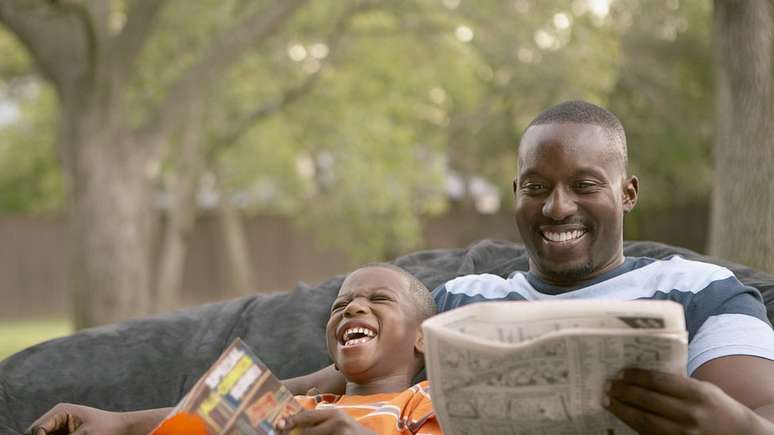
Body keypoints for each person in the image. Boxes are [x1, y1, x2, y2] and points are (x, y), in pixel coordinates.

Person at [430, 100, 774, 434]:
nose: (557, 208)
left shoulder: (701, 290)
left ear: (628, 194)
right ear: (517, 192)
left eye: (583, 186)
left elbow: (762, 411)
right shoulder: (457, 299)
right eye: (536, 188)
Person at [26, 264, 442, 435]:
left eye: (380, 300)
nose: (353, 306)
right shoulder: (292, 405)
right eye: (340, 305)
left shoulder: (424, 404)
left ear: (423, 337)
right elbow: (187, 425)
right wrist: (114, 425)